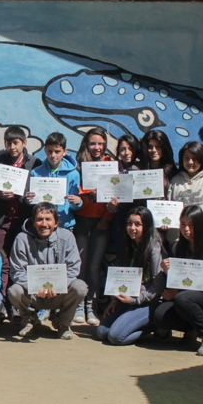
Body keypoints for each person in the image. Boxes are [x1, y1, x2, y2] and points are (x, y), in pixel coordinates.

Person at [151, 205, 203, 356]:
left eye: (191, 225)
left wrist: (178, 291)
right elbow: (176, 279)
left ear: (200, 225)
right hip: (186, 294)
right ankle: (191, 328)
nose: (186, 229)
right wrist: (167, 270)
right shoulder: (177, 247)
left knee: (182, 298)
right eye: (183, 224)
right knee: (160, 315)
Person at [7, 203, 86, 340]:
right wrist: (34, 287)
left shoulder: (67, 237)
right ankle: (29, 319)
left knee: (80, 287)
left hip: (58, 293)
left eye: (48, 219)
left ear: (56, 223)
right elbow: (17, 271)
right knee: (14, 291)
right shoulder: (22, 239)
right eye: (39, 219)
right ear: (33, 222)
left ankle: (63, 323)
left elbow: (73, 267)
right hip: (33, 293)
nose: (44, 224)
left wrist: (58, 286)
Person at [96, 207, 167, 346]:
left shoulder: (154, 247)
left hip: (148, 301)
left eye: (138, 224)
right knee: (102, 332)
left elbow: (158, 286)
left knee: (115, 337)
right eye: (129, 224)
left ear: (146, 226)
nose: (132, 228)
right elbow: (122, 277)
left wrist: (135, 300)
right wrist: (116, 300)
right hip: (129, 298)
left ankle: (153, 325)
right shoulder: (128, 244)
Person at [0, 125, 40, 295]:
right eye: (8, 143)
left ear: (24, 143)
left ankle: (22, 298)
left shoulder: (35, 163)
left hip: (25, 220)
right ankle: (2, 297)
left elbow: (39, 190)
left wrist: (30, 196)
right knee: (1, 259)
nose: (12, 147)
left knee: (24, 260)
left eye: (15, 143)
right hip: (3, 219)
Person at [71, 128, 111, 325]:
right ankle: (78, 305)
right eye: (93, 143)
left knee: (94, 265)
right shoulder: (78, 165)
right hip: (82, 220)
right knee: (81, 263)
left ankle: (91, 306)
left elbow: (116, 194)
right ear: (86, 144)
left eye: (100, 144)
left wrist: (108, 216)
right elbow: (73, 191)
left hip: (102, 221)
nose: (97, 147)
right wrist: (87, 194)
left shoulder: (110, 165)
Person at [25, 132, 82, 231]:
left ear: (65, 152)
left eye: (57, 151)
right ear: (45, 150)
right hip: (42, 226)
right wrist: (28, 199)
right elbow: (33, 203)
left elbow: (73, 205)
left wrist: (78, 202)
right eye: (50, 151)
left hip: (64, 225)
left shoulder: (73, 174)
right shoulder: (36, 172)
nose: (53, 155)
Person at [167, 141, 203, 241]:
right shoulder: (175, 180)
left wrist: (201, 232)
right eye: (186, 158)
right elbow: (168, 209)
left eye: (195, 158)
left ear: (202, 159)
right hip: (176, 239)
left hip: (200, 239)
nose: (190, 162)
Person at [108, 135, 141, 258]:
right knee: (122, 255)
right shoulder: (111, 169)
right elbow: (106, 196)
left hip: (138, 218)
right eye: (122, 149)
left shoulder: (142, 169)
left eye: (130, 149)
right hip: (119, 220)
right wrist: (111, 207)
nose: (127, 153)